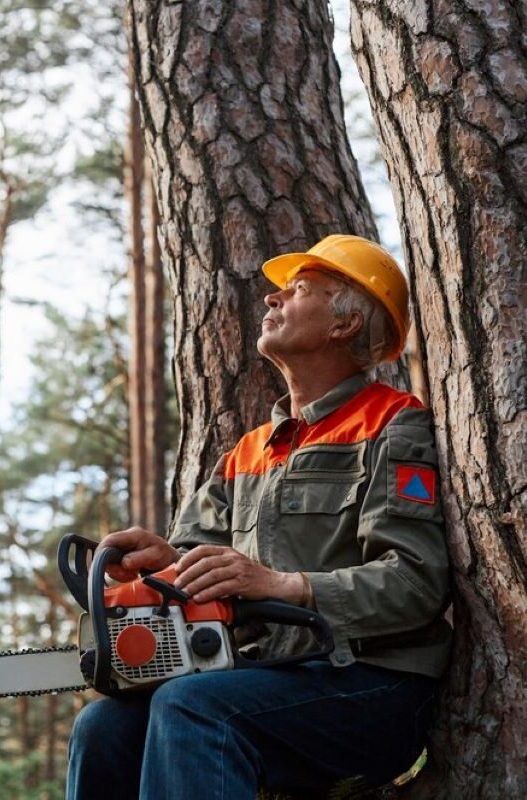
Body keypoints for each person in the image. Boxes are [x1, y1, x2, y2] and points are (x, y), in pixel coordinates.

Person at [67, 234, 451, 799]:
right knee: (104, 726)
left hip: (373, 684)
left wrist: (285, 586)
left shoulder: (394, 426)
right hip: (264, 679)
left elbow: (416, 582)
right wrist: (165, 565)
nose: (272, 300)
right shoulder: (247, 453)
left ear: (344, 324)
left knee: (194, 707)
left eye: (297, 291)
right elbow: (191, 566)